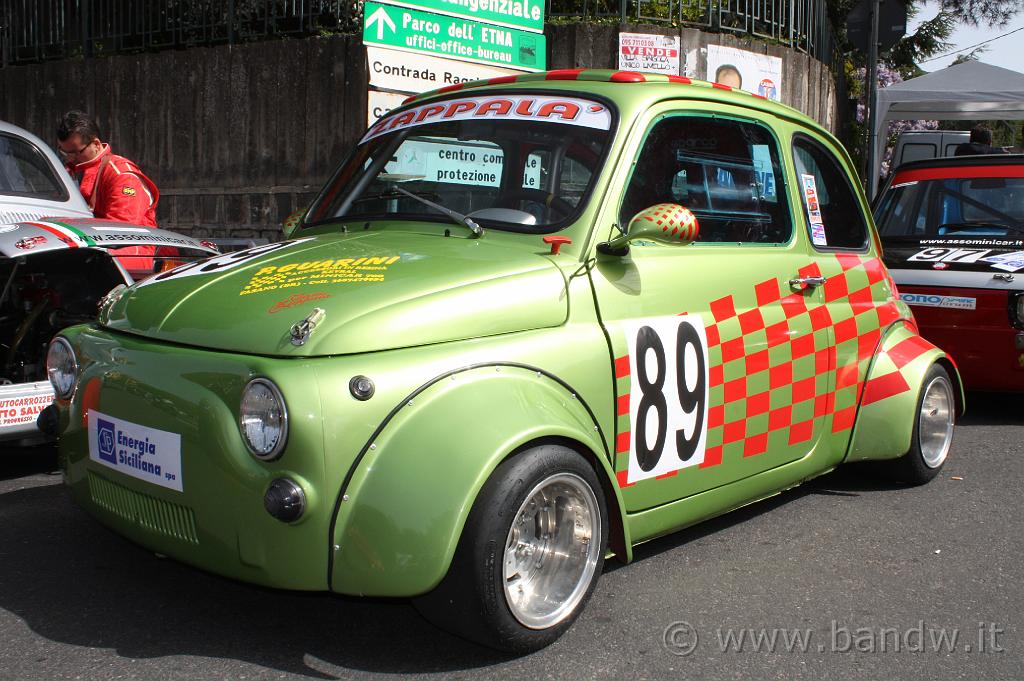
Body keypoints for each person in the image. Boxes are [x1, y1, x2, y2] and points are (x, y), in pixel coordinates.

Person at [56, 110, 159, 226]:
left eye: (75, 152)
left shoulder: (122, 175)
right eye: (63, 152)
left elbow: (123, 229)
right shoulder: (68, 172)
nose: (69, 158)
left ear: (96, 144)